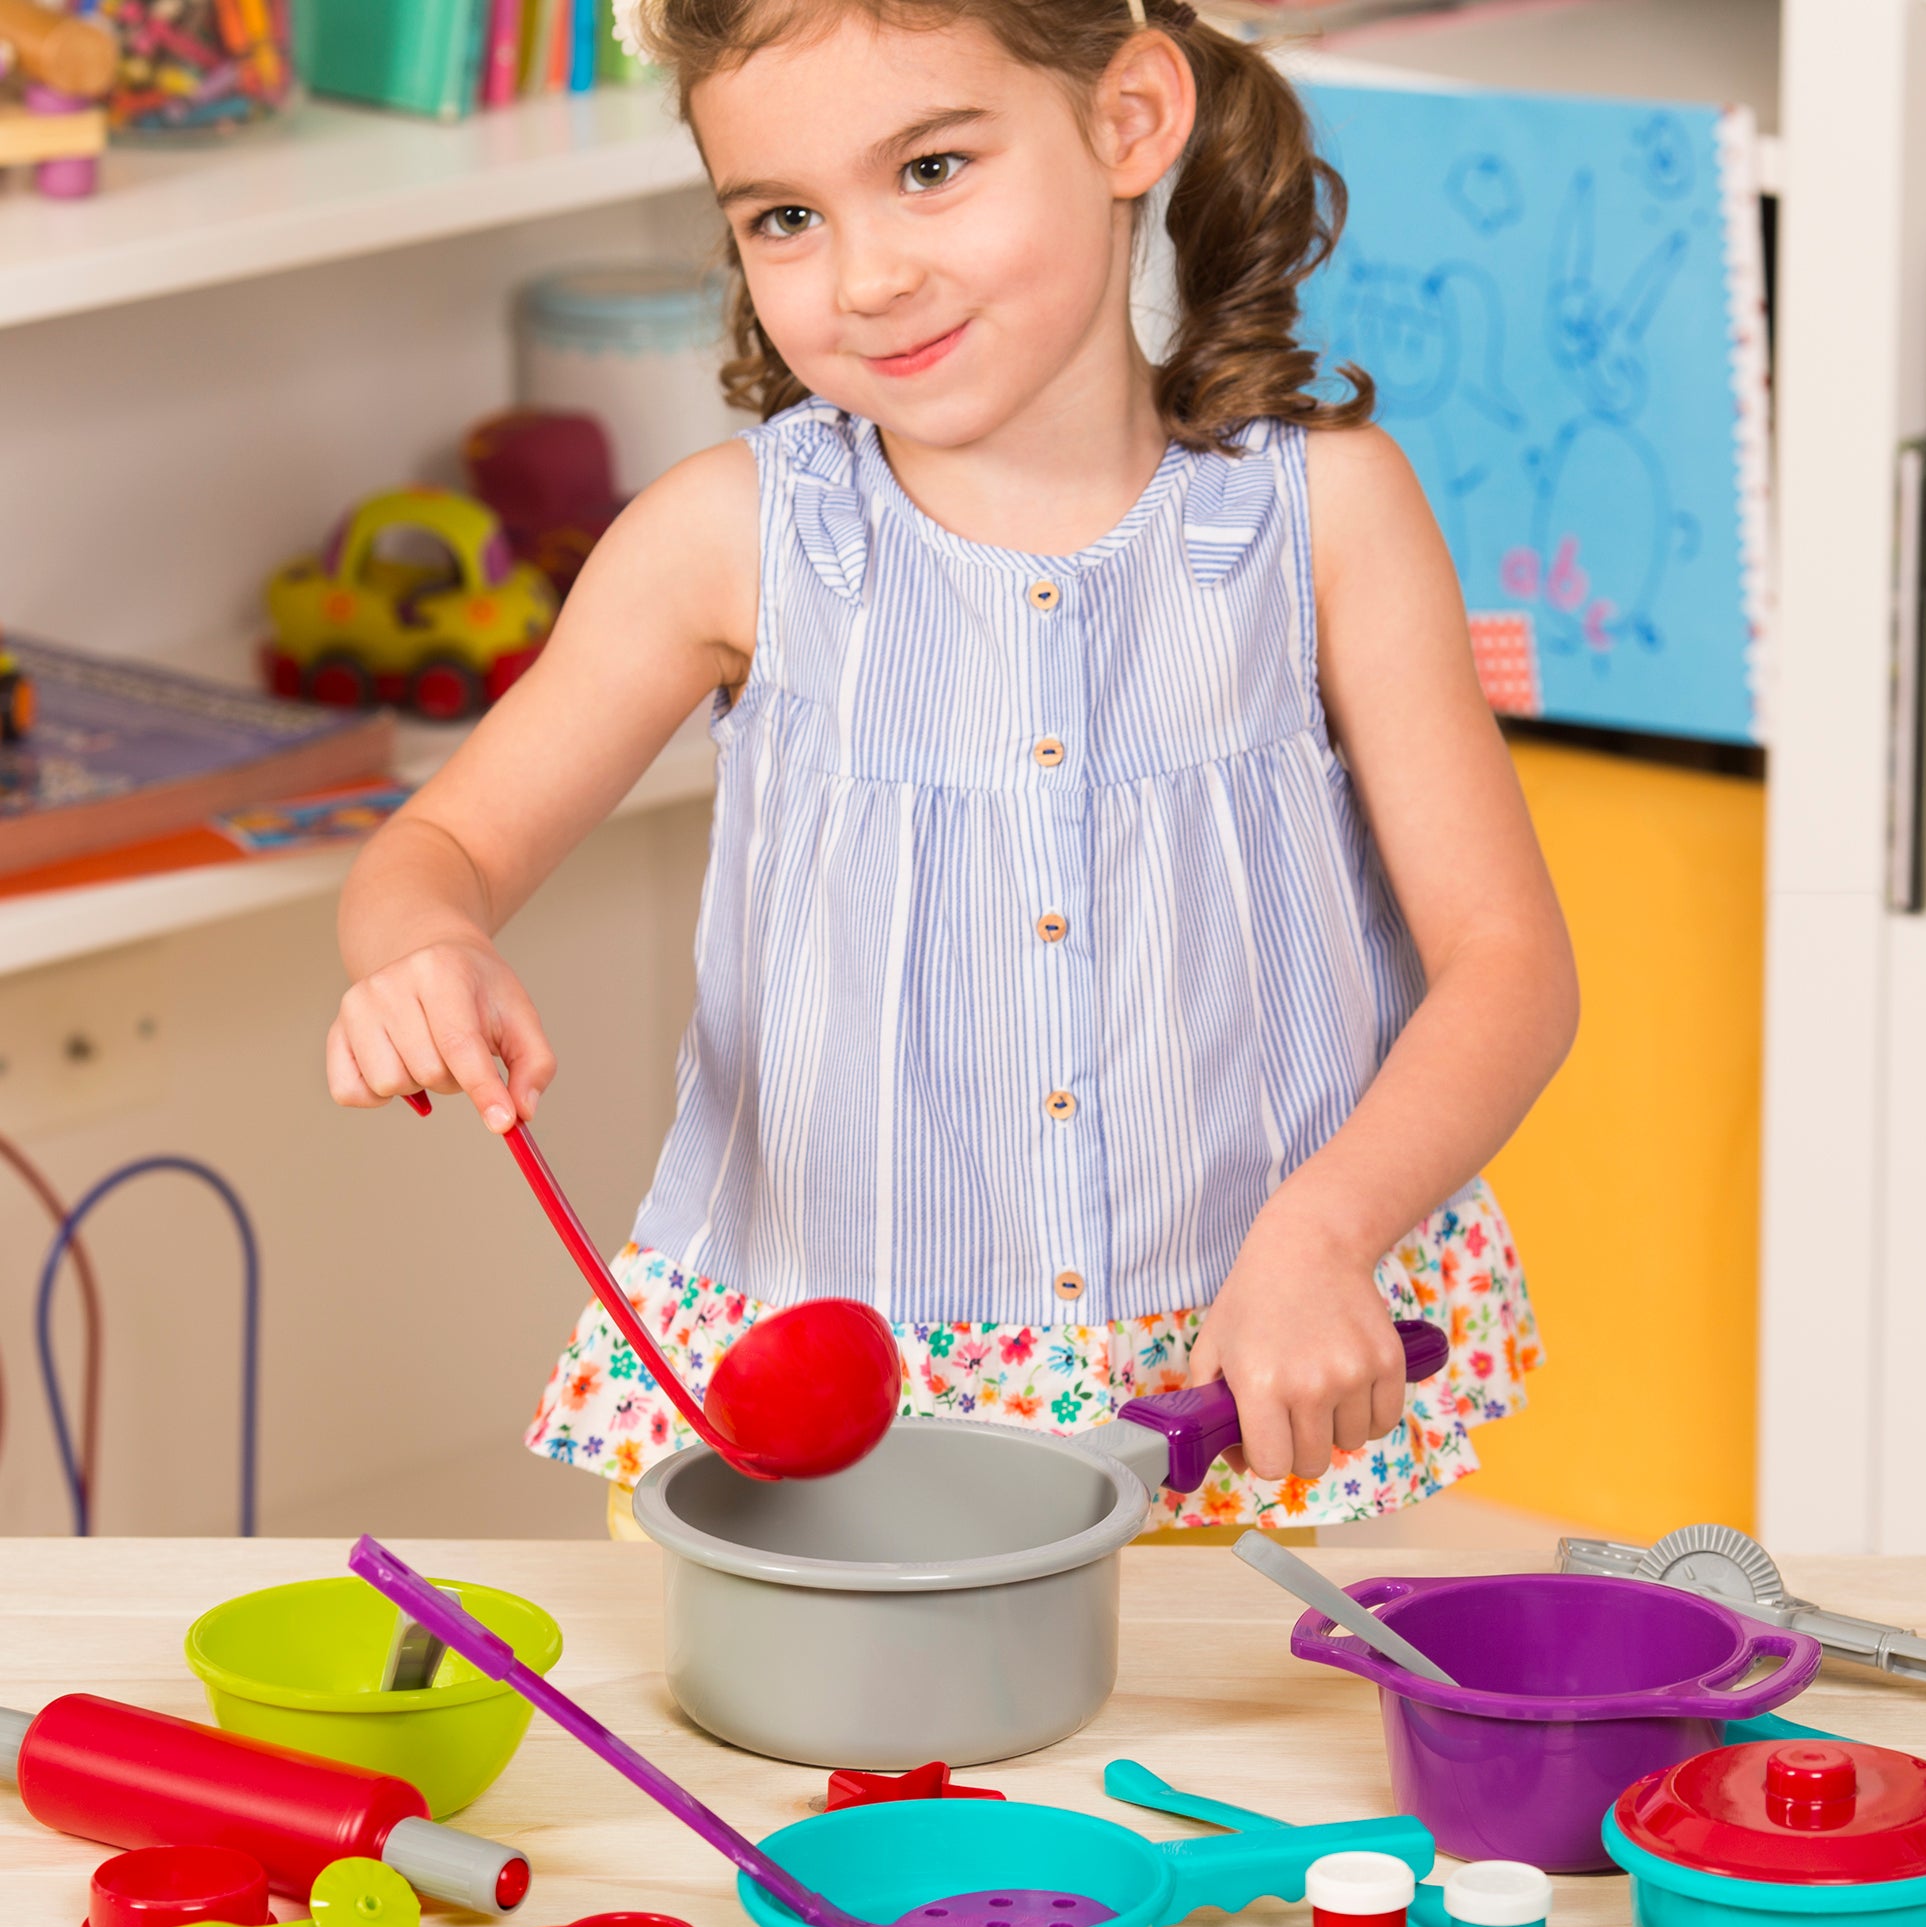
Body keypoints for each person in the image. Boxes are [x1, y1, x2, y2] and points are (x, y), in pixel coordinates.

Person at [327, 0, 1578, 1540]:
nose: (865, 276)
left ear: (1128, 119)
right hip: (828, 1424)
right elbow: (437, 852)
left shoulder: (1327, 518)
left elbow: (1509, 965)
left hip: (1235, 1388)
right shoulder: (726, 540)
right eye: (786, 218)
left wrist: (1324, 1233)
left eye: (930, 170)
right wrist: (423, 950)